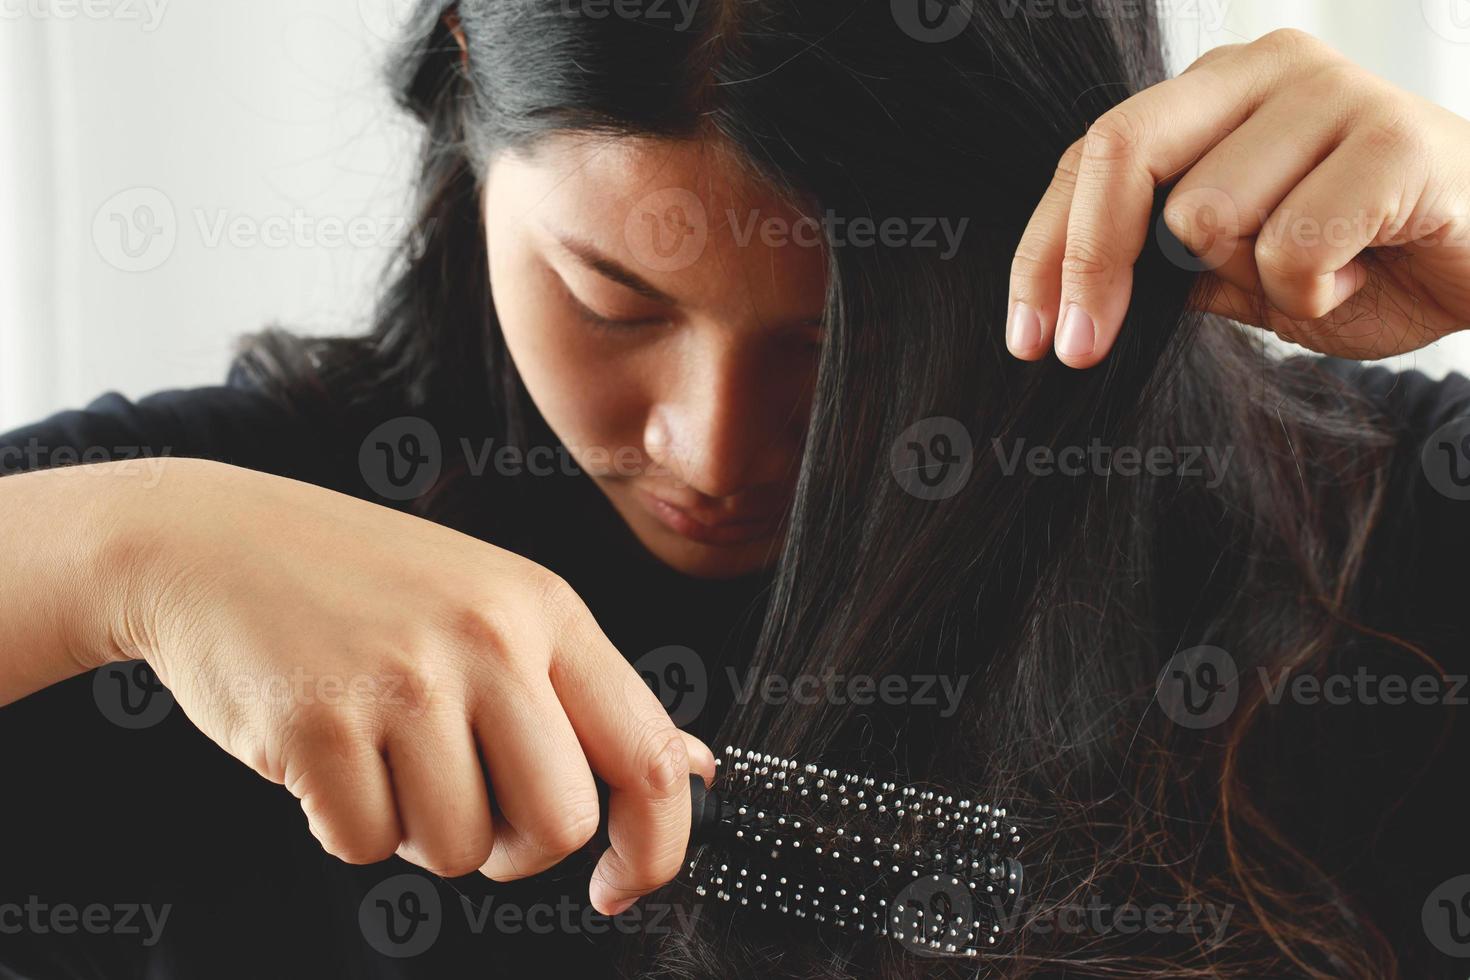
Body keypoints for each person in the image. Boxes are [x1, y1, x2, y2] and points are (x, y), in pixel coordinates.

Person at [3, 1, 1469, 977]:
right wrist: (113, 553)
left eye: (846, 347)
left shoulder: (1376, 525)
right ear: (462, 86)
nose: (709, 450)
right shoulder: (219, 552)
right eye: (613, 301)